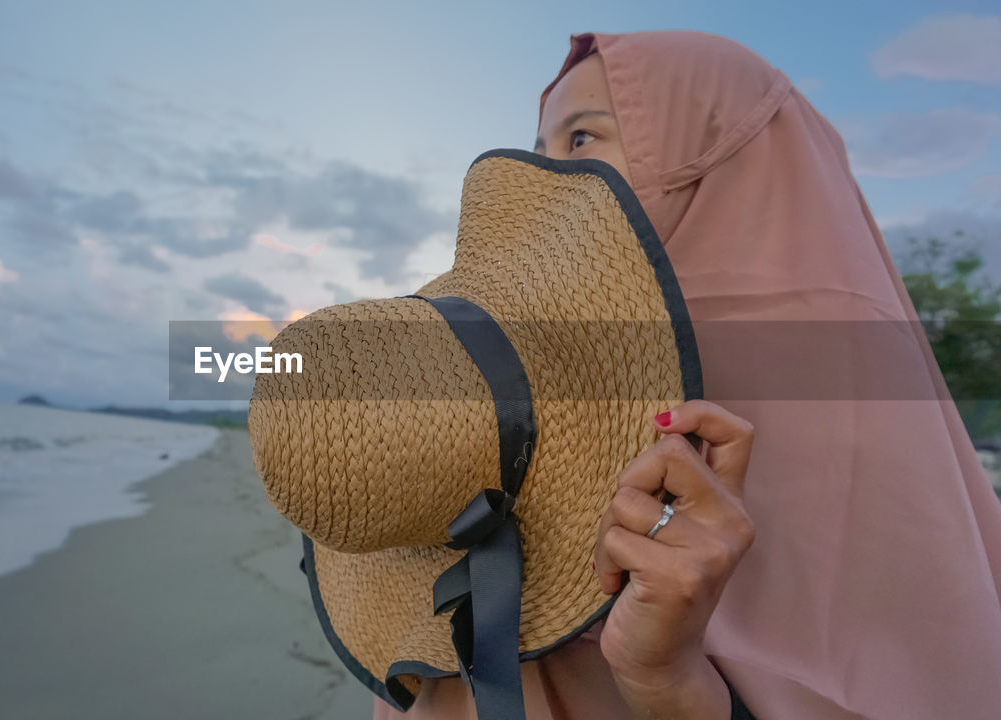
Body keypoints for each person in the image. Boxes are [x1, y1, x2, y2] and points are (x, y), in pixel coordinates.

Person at [373, 30, 1001, 720]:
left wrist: (667, 679)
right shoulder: (539, 346)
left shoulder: (837, 397)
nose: (543, 180)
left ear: (718, 158)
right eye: (540, 150)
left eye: (582, 140)